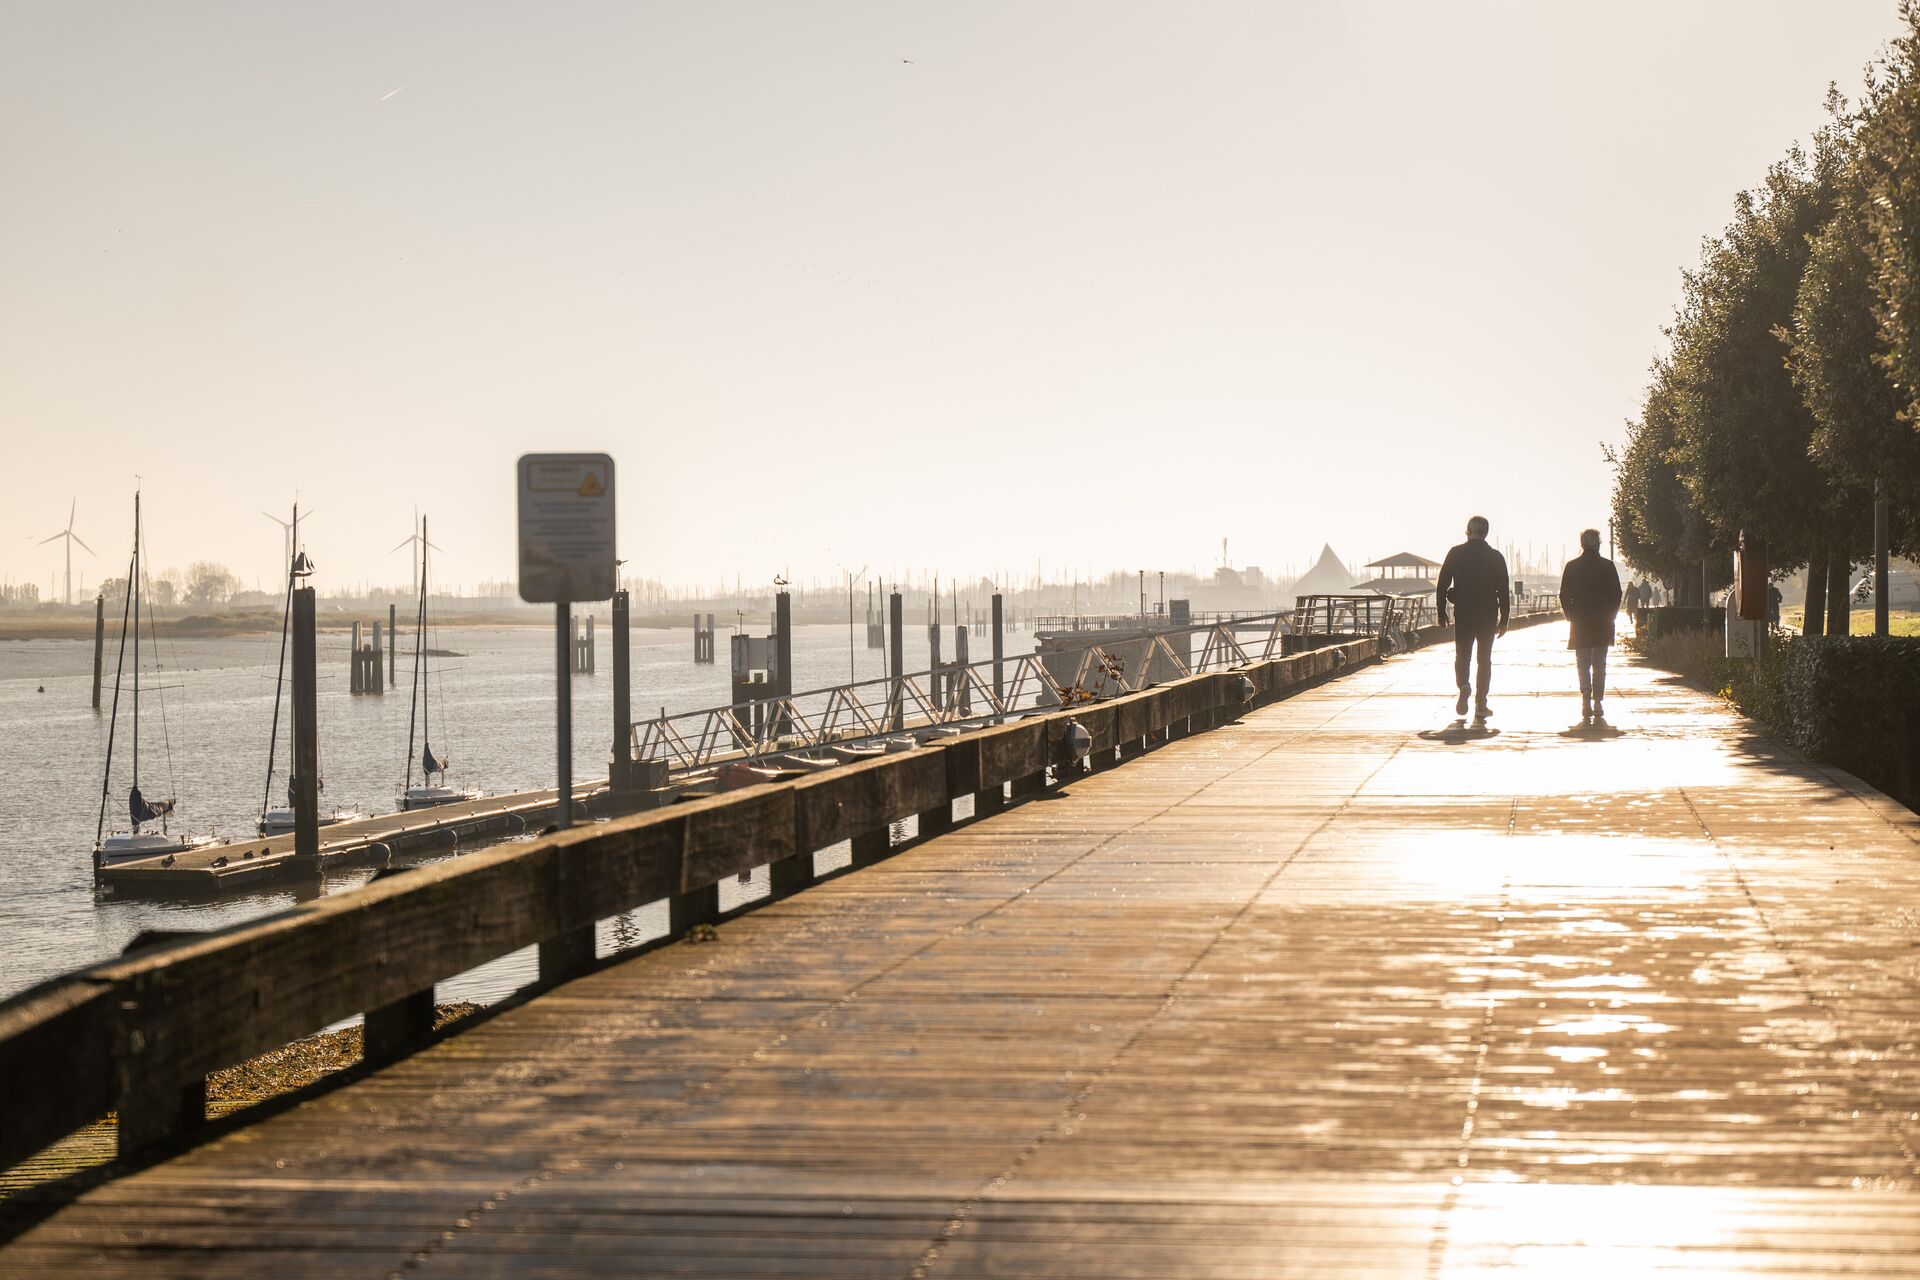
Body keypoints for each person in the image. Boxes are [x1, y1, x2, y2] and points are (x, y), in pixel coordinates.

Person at [1436, 515, 1511, 721]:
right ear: (1486, 533)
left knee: (1463, 656)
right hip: (1487, 614)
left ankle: (1464, 685)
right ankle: (1481, 705)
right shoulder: (1495, 557)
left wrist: (1441, 612)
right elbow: (1503, 590)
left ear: (1468, 531)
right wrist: (1504, 619)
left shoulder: (1456, 553)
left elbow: (1442, 585)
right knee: (1484, 660)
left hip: (1464, 612)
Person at [1559, 528, 1624, 722]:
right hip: (1602, 621)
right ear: (1599, 543)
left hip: (1580, 620)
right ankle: (1598, 701)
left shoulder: (1572, 566)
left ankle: (1585, 694)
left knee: (1583, 661)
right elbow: (1617, 593)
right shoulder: (1607, 566)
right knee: (1599, 663)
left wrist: (1570, 615)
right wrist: (1612, 614)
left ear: (1581, 544)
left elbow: (1564, 594)